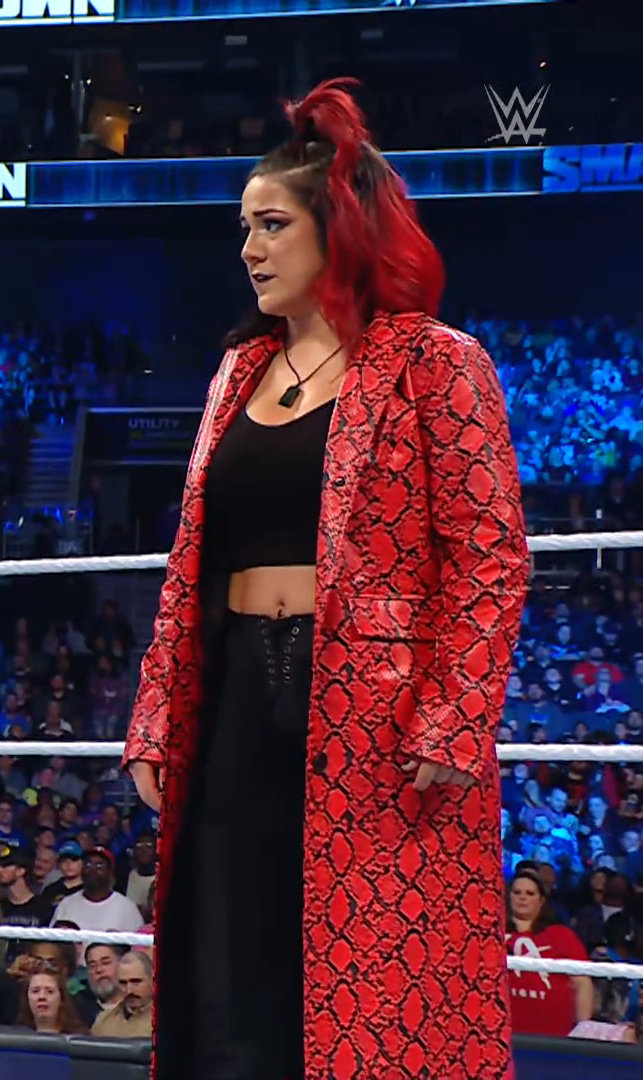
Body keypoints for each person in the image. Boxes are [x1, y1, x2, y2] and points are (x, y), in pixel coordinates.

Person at [122, 78, 528, 1080]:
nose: (249, 249)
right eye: (244, 227)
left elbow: (488, 554)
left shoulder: (434, 362)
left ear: (337, 233)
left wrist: (452, 716)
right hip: (233, 688)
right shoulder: (237, 372)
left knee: (370, 973)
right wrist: (156, 712)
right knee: (230, 947)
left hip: (377, 709)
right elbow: (190, 561)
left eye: (272, 225)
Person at [504, 869, 592, 1037]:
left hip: (553, 1036)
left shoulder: (562, 935)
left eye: (530, 893)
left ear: (541, 901)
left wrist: (583, 1030)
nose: (523, 897)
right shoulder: (491, 934)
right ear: (508, 897)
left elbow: (582, 983)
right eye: (517, 892)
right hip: (501, 1034)